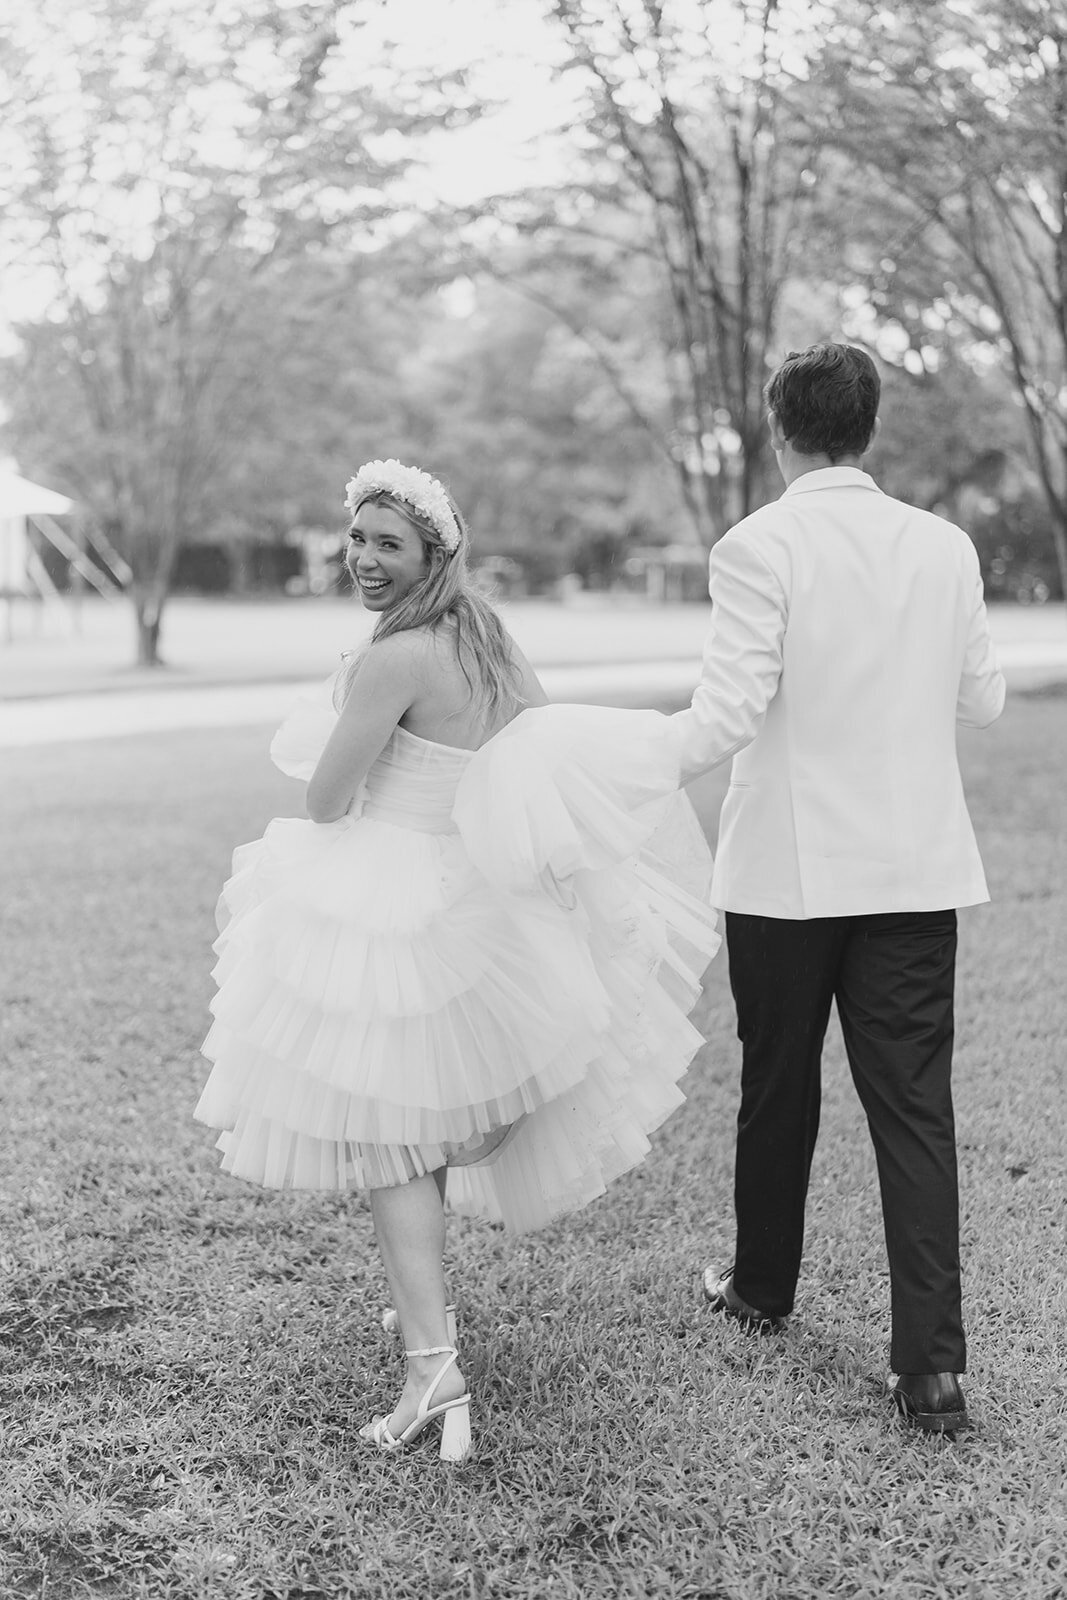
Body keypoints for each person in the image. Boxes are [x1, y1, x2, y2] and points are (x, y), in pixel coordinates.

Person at [195, 459, 720, 1462]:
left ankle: (432, 1373)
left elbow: (325, 801)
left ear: (433, 553)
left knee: (391, 1140)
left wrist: (339, 727)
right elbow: (530, 755)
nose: (364, 559)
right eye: (356, 538)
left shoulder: (393, 660)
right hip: (483, 904)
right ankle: (420, 1311)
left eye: (387, 543)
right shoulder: (487, 640)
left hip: (397, 901)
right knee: (419, 1127)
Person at [669, 343, 1005, 1434]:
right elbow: (985, 700)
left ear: (778, 429)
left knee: (778, 1089)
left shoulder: (756, 545)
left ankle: (760, 1291)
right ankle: (930, 1371)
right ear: (867, 429)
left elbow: (722, 719)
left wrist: (610, 765)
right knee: (912, 1109)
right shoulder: (943, 547)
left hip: (785, 873)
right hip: (911, 871)